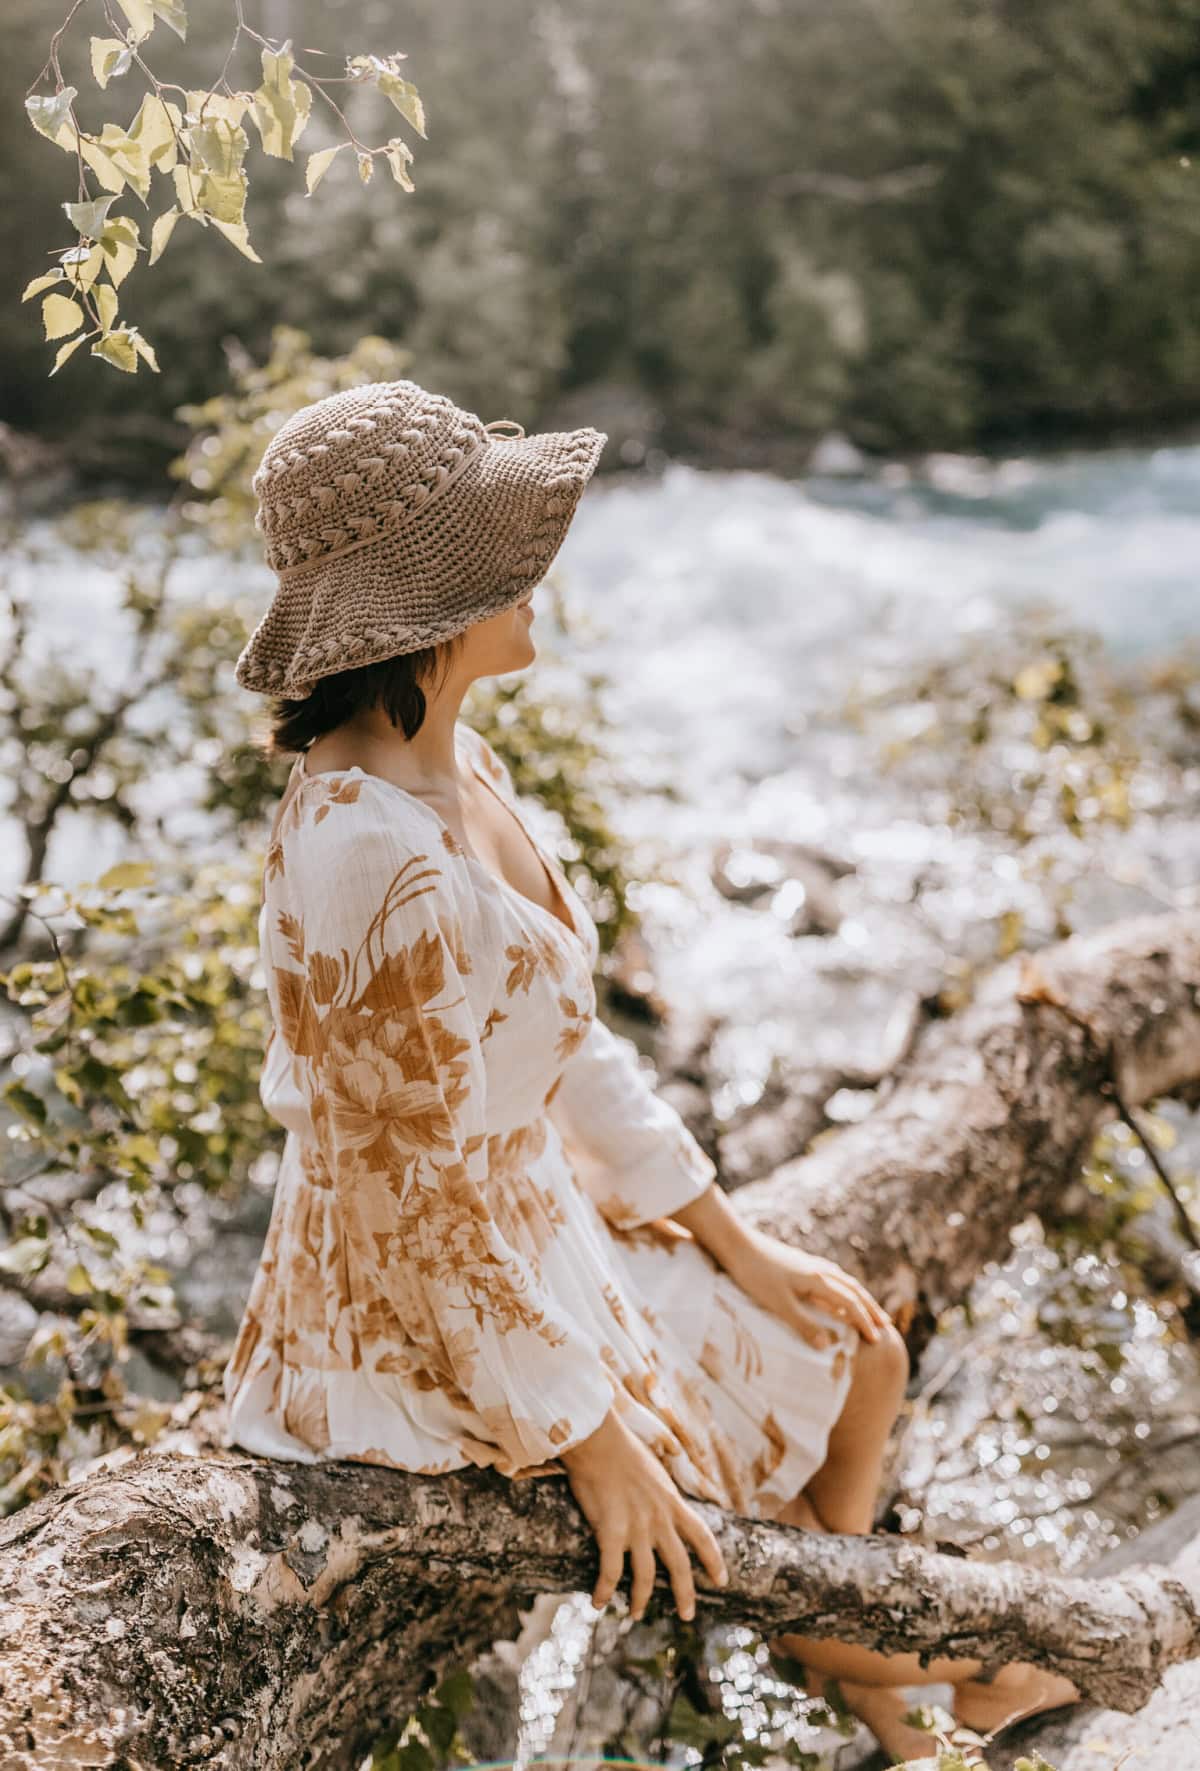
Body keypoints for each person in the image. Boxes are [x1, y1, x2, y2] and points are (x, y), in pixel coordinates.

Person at [224, 377, 1078, 1764]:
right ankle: (950, 1694)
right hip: (410, 1321)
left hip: (530, 1225)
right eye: (507, 553)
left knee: (859, 1351)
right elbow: (409, 1201)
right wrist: (588, 1433)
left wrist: (736, 1244)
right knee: (730, 1530)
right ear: (426, 606)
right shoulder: (361, 852)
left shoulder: (460, 763)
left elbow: (563, 1046)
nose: (542, 571)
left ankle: (883, 1691)